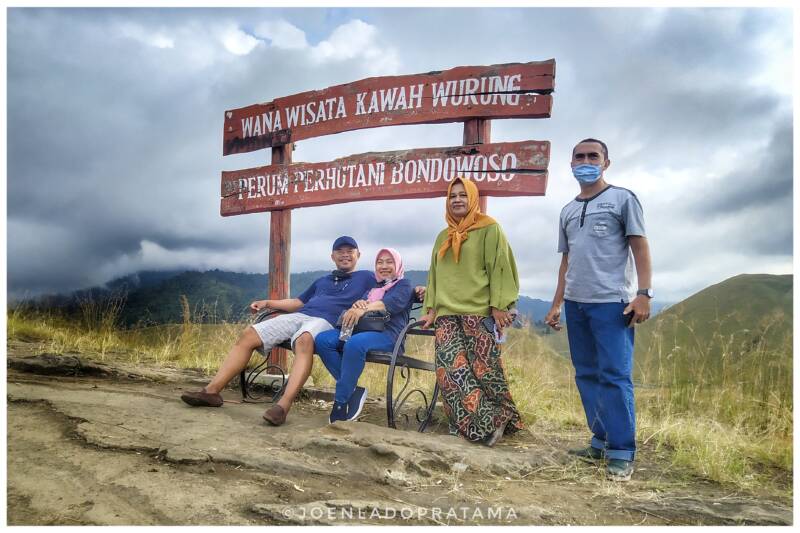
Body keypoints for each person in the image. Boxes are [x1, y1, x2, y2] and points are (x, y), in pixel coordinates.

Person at [544, 138, 653, 482]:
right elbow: (567, 260)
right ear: (571, 163)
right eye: (580, 157)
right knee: (586, 374)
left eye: (593, 156)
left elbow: (640, 246)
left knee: (615, 376)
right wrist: (557, 302)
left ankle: (622, 451)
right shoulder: (567, 210)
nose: (586, 161)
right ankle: (600, 441)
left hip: (613, 304)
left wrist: (644, 293)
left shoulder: (623, 199)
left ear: (606, 163)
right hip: (576, 305)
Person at [180, 236, 376, 426]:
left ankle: (282, 406)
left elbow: (385, 292)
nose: (345, 255)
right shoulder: (322, 281)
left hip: (327, 322)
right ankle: (211, 392)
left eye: (349, 251)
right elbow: (298, 303)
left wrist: (363, 307)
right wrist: (267, 303)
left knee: (304, 339)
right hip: (301, 315)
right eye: (339, 251)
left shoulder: (367, 277)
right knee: (249, 334)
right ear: (332, 256)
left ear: (358, 254)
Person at [419, 177, 523, 446]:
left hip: (480, 313)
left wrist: (500, 306)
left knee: (485, 371)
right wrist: (430, 309)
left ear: (473, 199)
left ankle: (504, 420)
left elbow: (500, 266)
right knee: (451, 373)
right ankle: (485, 426)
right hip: (446, 315)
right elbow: (435, 275)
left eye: (463, 195)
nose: (457, 200)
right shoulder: (442, 237)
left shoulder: (490, 229)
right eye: (452, 195)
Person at [315, 248, 415, 423]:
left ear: (397, 264)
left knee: (353, 343)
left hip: (389, 336)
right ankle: (353, 390)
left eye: (389, 262)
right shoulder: (374, 287)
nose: (384, 266)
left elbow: (391, 304)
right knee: (323, 340)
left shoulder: (404, 285)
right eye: (379, 262)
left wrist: (364, 309)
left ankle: (341, 401)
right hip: (362, 331)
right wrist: (359, 304)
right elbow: (360, 305)